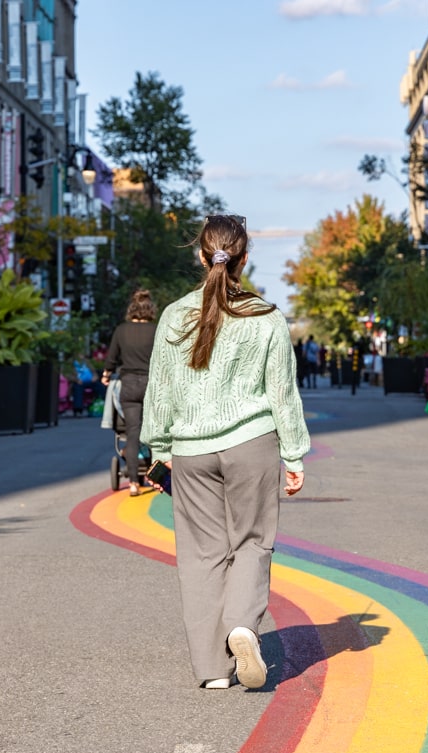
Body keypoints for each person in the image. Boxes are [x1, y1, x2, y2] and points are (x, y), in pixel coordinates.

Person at [142, 214, 309, 691]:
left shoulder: (176, 315)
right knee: (253, 542)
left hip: (191, 450)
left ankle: (213, 670)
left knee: (201, 555)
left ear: (201, 255)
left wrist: (160, 445)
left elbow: (162, 388)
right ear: (244, 259)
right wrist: (294, 455)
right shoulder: (266, 316)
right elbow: (283, 393)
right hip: (252, 444)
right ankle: (241, 624)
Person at [101, 289, 158, 496]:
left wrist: (107, 375)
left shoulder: (122, 330)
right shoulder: (155, 330)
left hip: (129, 385)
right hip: (151, 385)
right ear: (150, 309)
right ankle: (155, 477)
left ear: (131, 308)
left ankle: (134, 482)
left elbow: (111, 358)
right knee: (153, 432)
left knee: (133, 433)